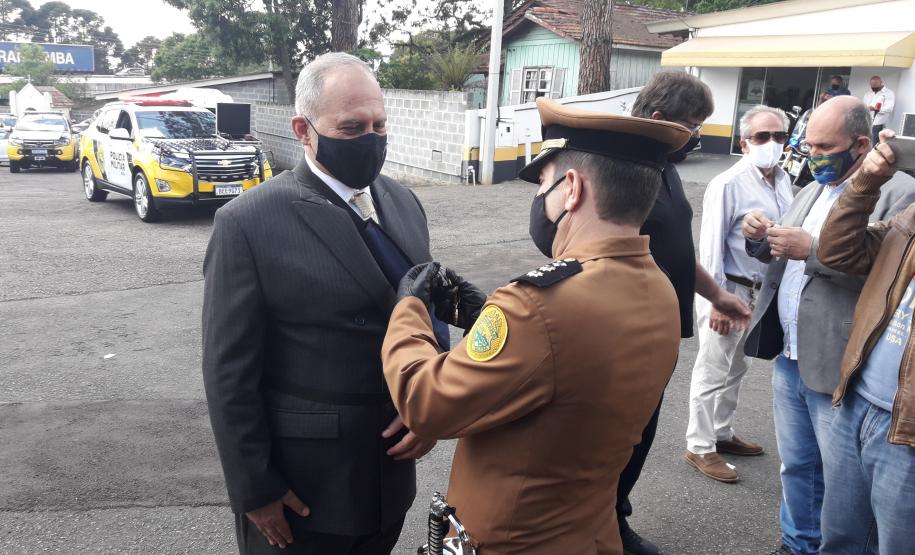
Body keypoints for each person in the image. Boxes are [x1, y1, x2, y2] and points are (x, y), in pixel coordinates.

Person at [381, 97, 690, 554]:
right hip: (589, 533)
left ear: (572, 188)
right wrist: (485, 316)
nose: (539, 201)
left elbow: (425, 403)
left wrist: (409, 309)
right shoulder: (659, 288)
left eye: (542, 185)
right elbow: (566, 369)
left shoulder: (539, 305)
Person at [201, 52, 441, 555]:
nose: (372, 139)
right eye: (351, 127)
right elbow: (229, 373)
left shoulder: (402, 202)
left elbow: (426, 309)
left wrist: (431, 407)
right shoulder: (249, 222)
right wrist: (255, 488)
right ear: (304, 130)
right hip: (304, 491)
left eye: (379, 124)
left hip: (389, 476)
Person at [741, 96, 915, 555]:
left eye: (824, 145)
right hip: (792, 352)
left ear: (861, 144)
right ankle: (797, 543)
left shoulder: (898, 192)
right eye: (810, 144)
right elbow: (781, 254)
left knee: (844, 484)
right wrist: (760, 239)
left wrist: (813, 249)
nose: (812, 154)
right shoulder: (814, 187)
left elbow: (882, 273)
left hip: (838, 360)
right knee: (796, 465)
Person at [619, 70, 752, 555]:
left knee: (640, 432)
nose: (697, 136)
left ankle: (615, 511)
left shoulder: (662, 165)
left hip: (660, 331)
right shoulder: (616, 163)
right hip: (623, 333)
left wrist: (717, 294)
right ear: (660, 119)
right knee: (615, 435)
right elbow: (548, 230)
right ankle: (603, 523)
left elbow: (676, 249)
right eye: (693, 125)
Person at [816, 128, 915, 555]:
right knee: (840, 540)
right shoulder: (910, 218)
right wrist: (866, 182)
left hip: (907, 432)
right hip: (857, 402)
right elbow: (837, 252)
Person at [685, 105, 794, 483]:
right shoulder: (729, 183)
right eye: (762, 137)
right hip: (728, 289)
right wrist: (716, 299)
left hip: (759, 293)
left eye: (780, 136)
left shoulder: (782, 180)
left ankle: (721, 432)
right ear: (745, 143)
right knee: (712, 369)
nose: (772, 144)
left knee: (737, 367)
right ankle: (699, 446)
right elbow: (710, 245)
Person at [863, 75, 895, 147]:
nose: (873, 87)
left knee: (875, 144)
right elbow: (863, 105)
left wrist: (875, 109)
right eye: (872, 85)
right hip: (867, 122)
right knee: (865, 143)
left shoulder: (888, 93)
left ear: (881, 83)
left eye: (875, 85)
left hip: (878, 123)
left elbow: (889, 108)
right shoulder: (868, 94)